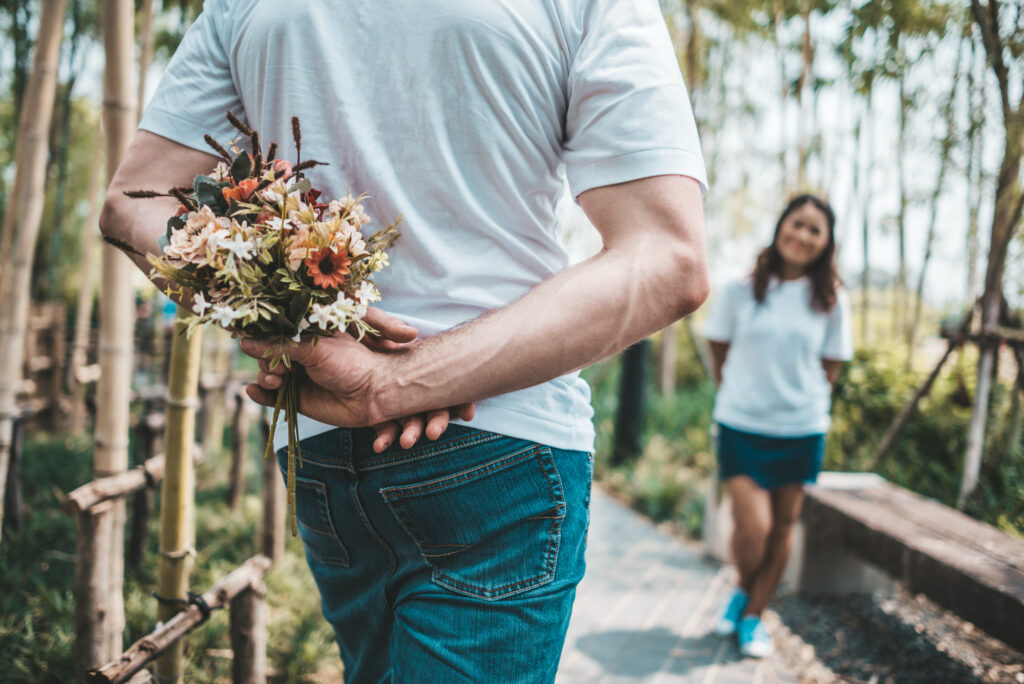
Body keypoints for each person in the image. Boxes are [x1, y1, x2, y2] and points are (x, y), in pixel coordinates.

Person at [100, 1, 710, 680]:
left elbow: (133, 204)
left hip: (321, 441)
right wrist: (393, 380)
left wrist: (296, 322)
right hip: (501, 440)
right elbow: (668, 258)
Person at [702, 194, 852, 659]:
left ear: (826, 243)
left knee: (783, 528)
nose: (803, 235)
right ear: (781, 226)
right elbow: (718, 348)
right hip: (741, 425)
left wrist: (799, 403)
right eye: (797, 224)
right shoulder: (740, 289)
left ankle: (752, 615)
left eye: (815, 230)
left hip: (801, 430)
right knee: (755, 527)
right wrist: (741, 392)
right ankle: (743, 587)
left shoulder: (831, 300)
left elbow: (831, 365)